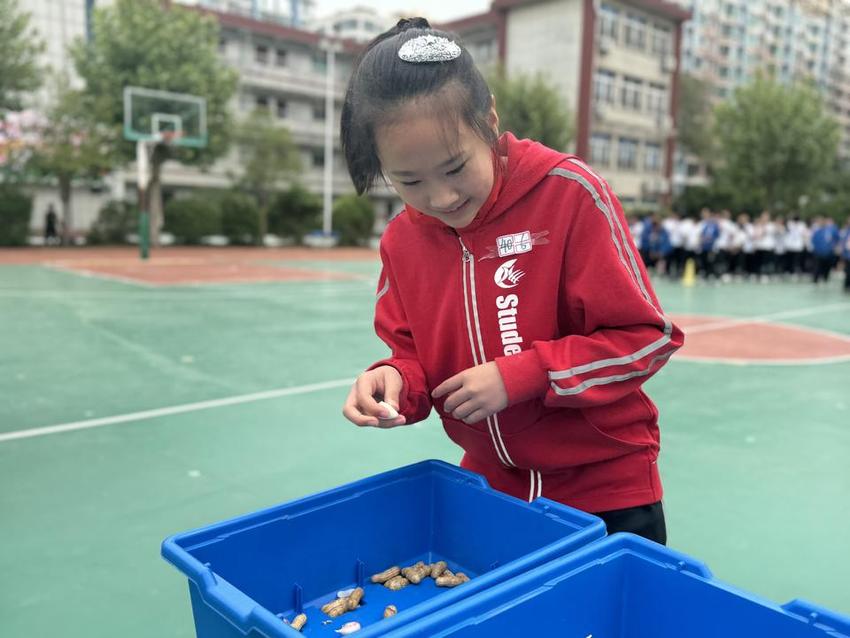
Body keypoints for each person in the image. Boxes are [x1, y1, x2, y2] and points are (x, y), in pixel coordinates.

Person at [339, 19, 683, 544]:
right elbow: (410, 356)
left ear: (490, 120)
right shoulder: (401, 241)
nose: (441, 197)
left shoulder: (569, 195)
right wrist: (394, 382)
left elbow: (645, 339)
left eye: (455, 167)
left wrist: (523, 376)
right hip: (492, 491)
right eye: (409, 181)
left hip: (605, 494)